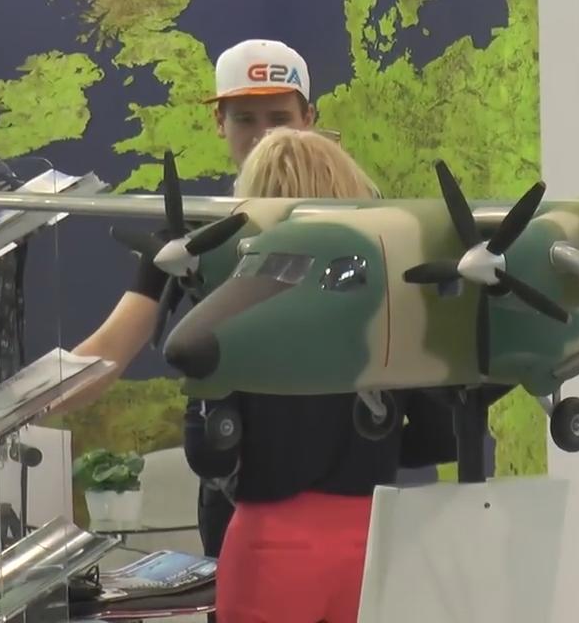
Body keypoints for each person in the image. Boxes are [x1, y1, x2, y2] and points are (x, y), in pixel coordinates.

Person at [50, 39, 327, 562]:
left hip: (347, 481)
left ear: (309, 119)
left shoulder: (359, 224)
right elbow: (109, 352)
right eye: (245, 119)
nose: (264, 136)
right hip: (237, 486)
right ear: (219, 123)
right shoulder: (188, 237)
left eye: (280, 119)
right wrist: (12, 412)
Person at [183, 127, 462, 623]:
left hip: (271, 549)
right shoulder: (388, 306)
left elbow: (208, 451)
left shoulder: (239, 312)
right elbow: (442, 436)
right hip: (371, 543)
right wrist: (375, 450)